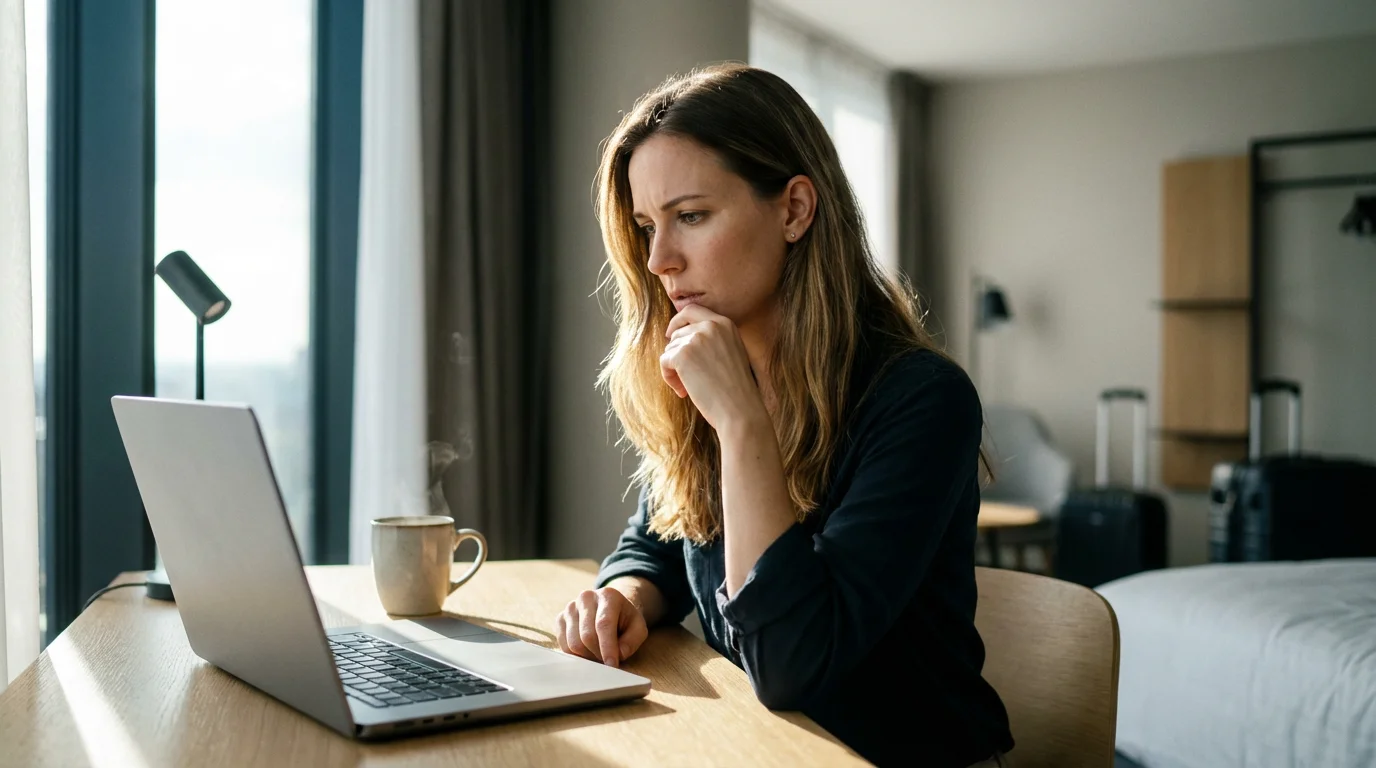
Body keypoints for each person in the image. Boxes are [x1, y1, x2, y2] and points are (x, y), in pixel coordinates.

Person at [553, 63, 1015, 768]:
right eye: (647, 226)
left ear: (795, 210)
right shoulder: (716, 367)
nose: (659, 260)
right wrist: (621, 597)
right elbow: (660, 543)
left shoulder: (923, 400)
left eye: (691, 216)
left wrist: (741, 427)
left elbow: (793, 663)